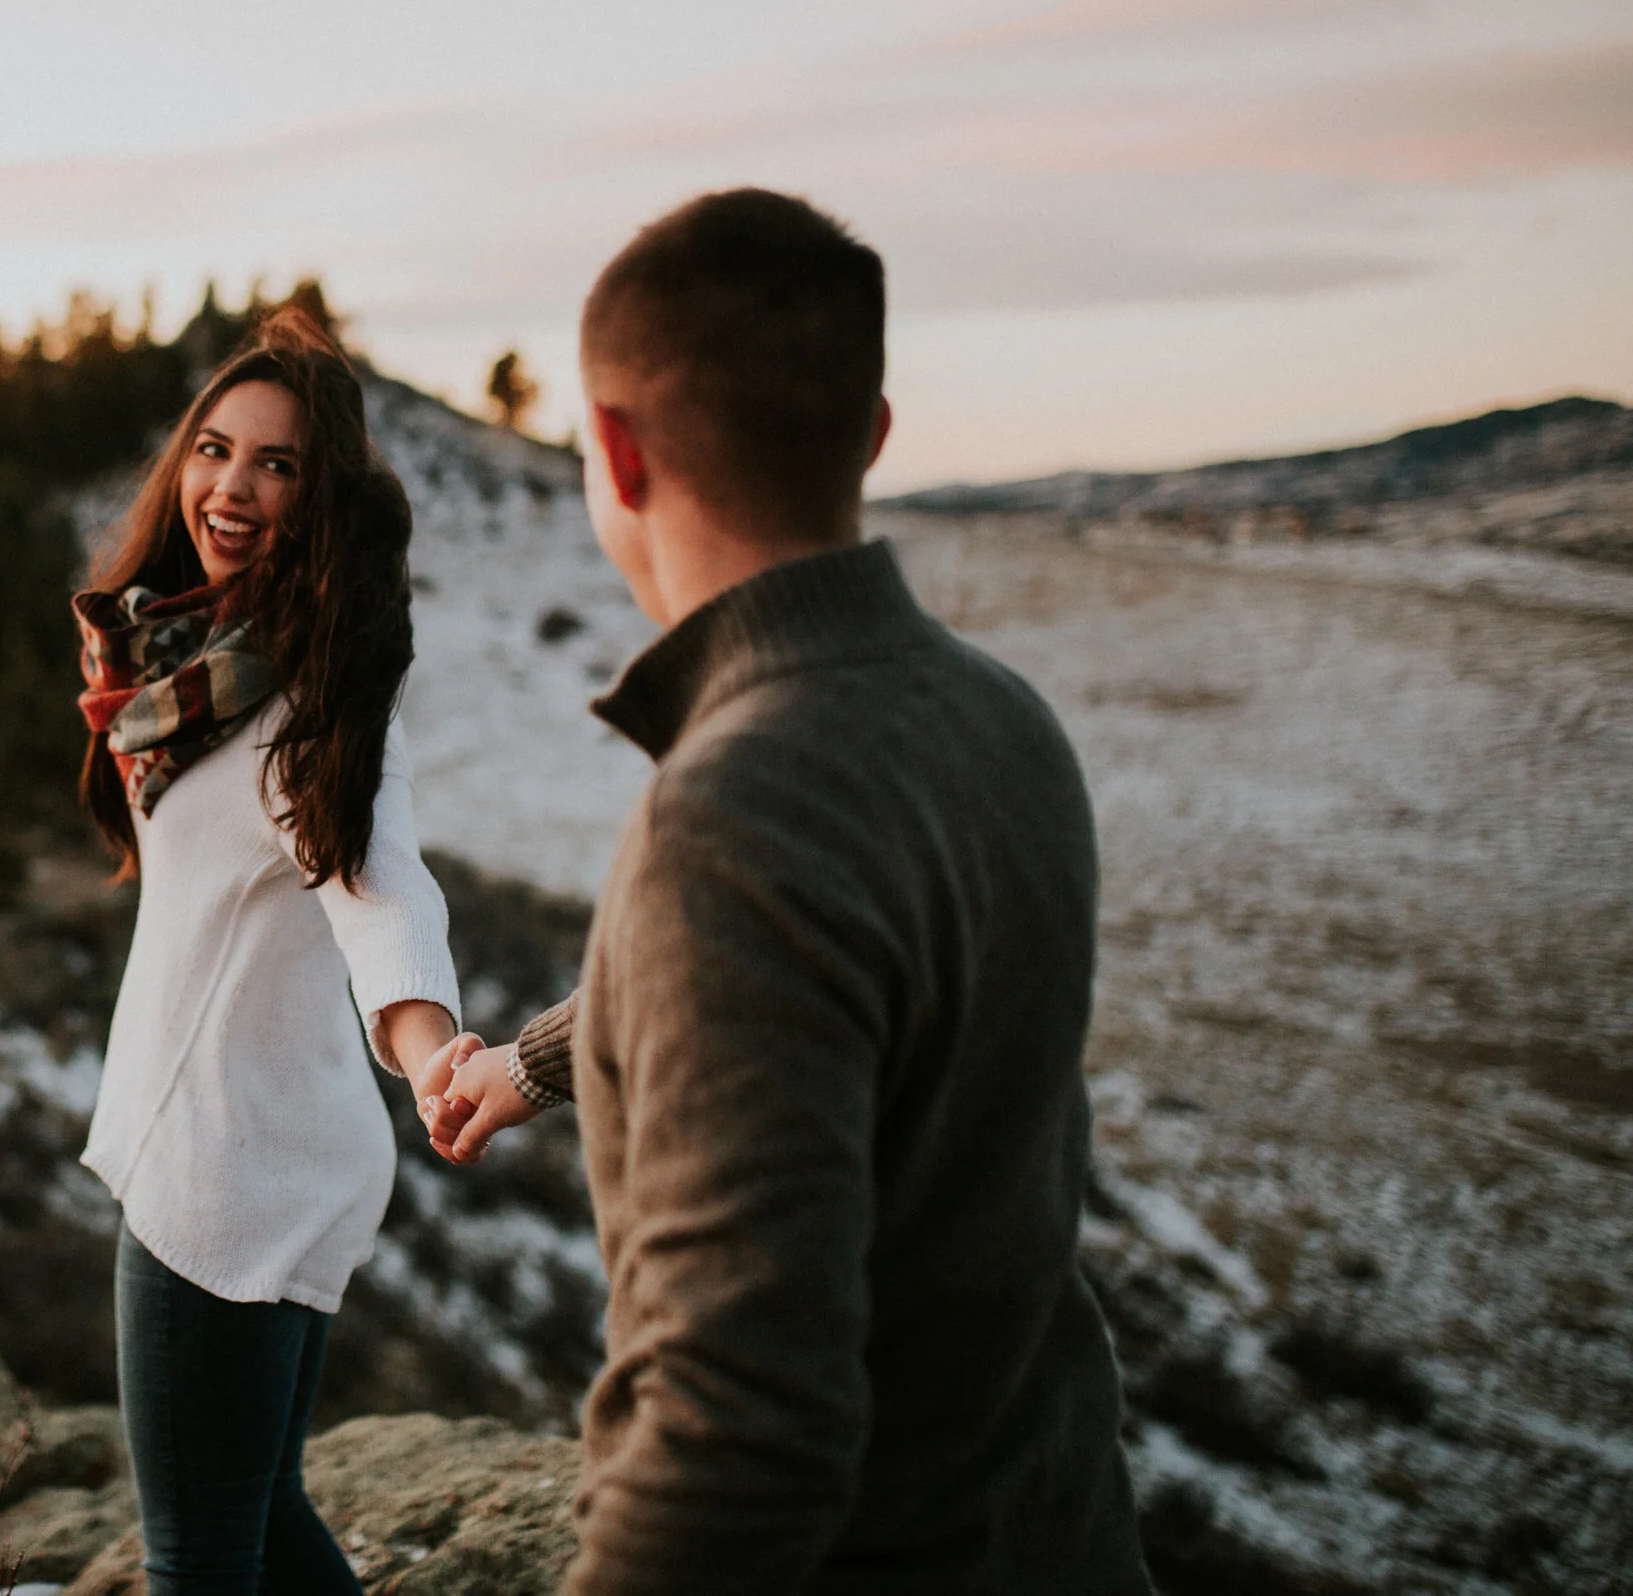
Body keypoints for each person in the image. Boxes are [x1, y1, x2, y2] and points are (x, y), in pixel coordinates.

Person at [428, 191, 1150, 1593]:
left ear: (619, 457)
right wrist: (539, 1058)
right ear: (872, 432)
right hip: (1062, 1534)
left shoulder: (732, 813)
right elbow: (843, 968)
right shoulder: (999, 716)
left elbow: (737, 1439)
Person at [73, 308, 475, 1595]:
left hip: (226, 1173)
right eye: (214, 449)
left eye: (277, 466)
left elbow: (377, 883)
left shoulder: (309, 706)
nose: (231, 488)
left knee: (195, 1560)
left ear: (320, 500)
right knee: (259, 1515)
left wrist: (432, 1046)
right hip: (262, 1143)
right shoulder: (182, 665)